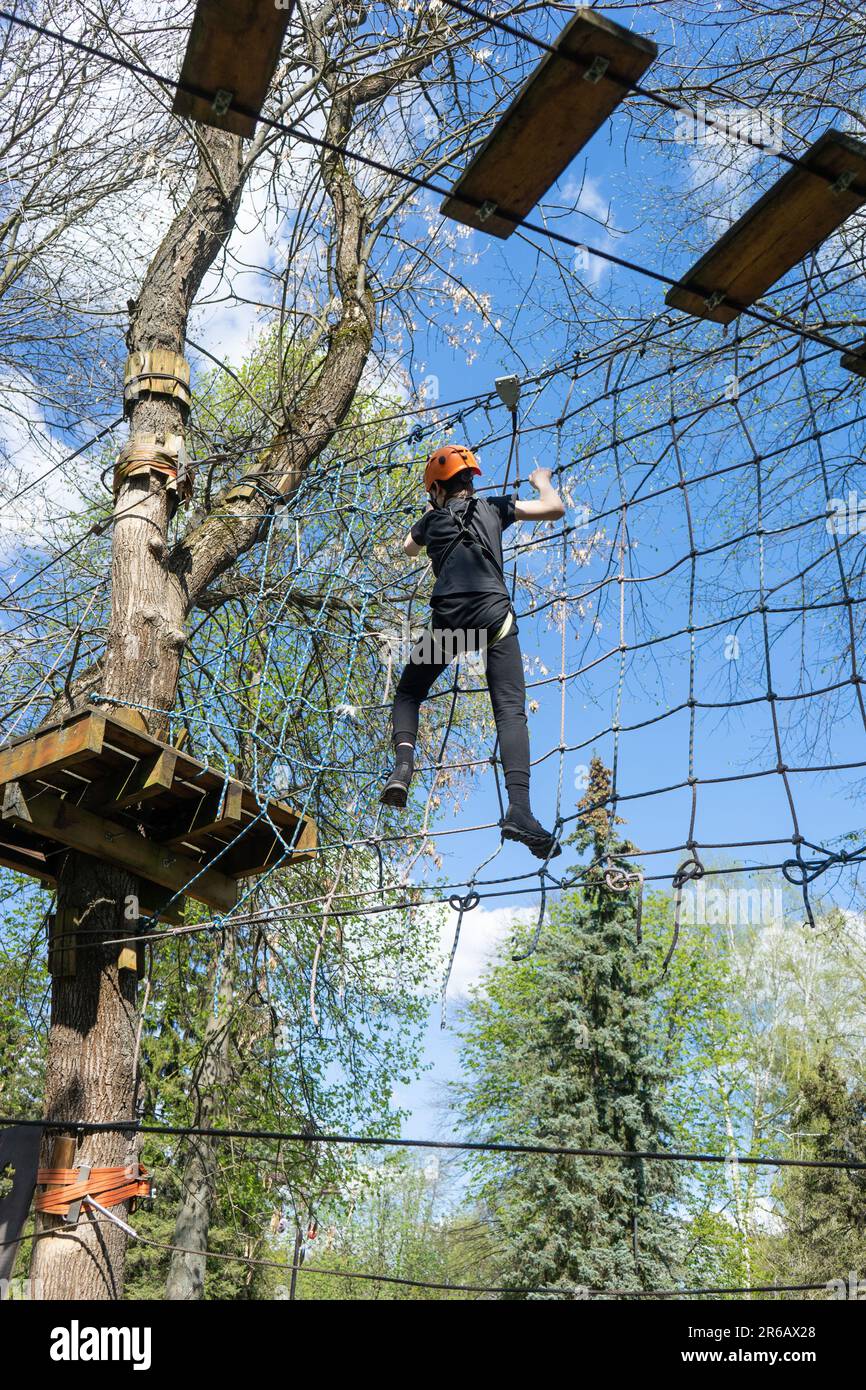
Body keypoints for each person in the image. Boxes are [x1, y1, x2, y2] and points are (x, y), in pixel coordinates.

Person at [380, 443, 565, 859]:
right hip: (494, 619)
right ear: (470, 482)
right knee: (510, 711)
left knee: (410, 693)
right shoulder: (495, 508)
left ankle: (403, 768)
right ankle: (519, 809)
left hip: (450, 624)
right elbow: (553, 509)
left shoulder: (430, 520)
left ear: (437, 491)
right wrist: (542, 482)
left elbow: (406, 548)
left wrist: (428, 522)